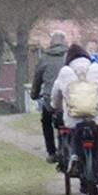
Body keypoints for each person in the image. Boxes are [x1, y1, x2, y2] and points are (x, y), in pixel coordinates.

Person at [50, 43, 98, 195]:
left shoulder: (65, 72)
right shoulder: (96, 69)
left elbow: (56, 95)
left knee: (76, 140)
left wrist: (55, 107)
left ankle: (75, 157)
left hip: (74, 120)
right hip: (96, 118)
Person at [30, 31, 67, 162]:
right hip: (70, 98)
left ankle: (51, 152)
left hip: (50, 100)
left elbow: (37, 78)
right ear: (64, 42)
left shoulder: (44, 58)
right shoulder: (70, 56)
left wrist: (34, 94)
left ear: (51, 43)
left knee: (46, 121)